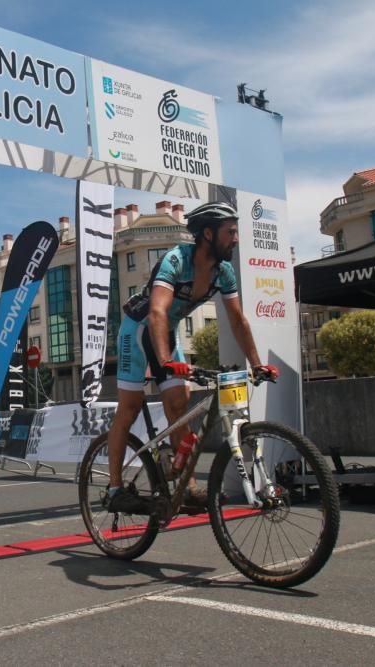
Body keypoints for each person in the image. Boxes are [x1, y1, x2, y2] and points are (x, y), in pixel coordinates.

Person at [106, 202, 278, 515]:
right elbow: (157, 311)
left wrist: (257, 363)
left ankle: (187, 485)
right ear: (208, 234)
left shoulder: (223, 272)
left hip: (166, 332)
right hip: (138, 329)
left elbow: (238, 320)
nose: (236, 238)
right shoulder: (176, 260)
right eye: (231, 232)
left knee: (178, 402)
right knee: (129, 408)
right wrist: (165, 360)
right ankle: (115, 488)